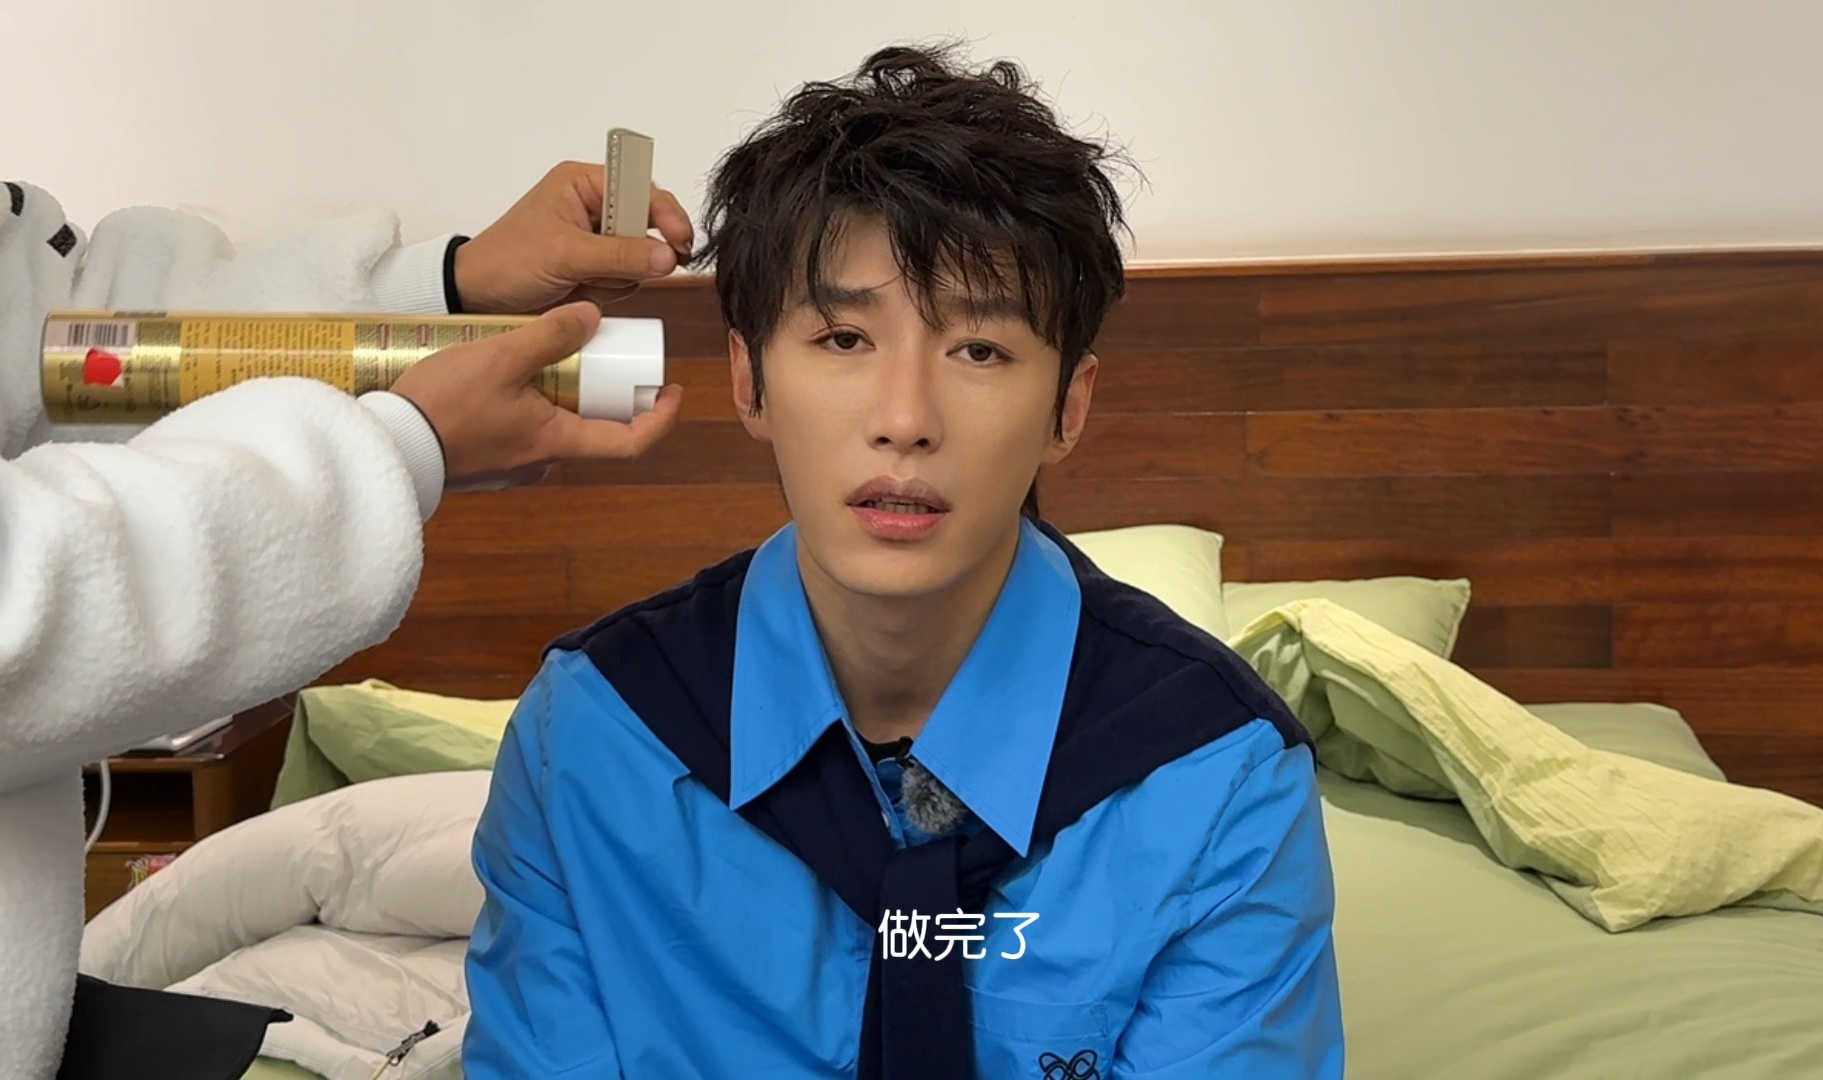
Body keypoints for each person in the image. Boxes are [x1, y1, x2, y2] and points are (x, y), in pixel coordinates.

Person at [464, 45, 1344, 1080]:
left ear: (1069, 408)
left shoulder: (1215, 777)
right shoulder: (591, 739)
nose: (905, 419)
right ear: (749, 382)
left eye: (981, 350)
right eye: (844, 339)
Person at [0, 162, 692, 1080]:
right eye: (840, 340)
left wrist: (445, 286)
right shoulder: (606, 697)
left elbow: (84, 354)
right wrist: (400, 447)